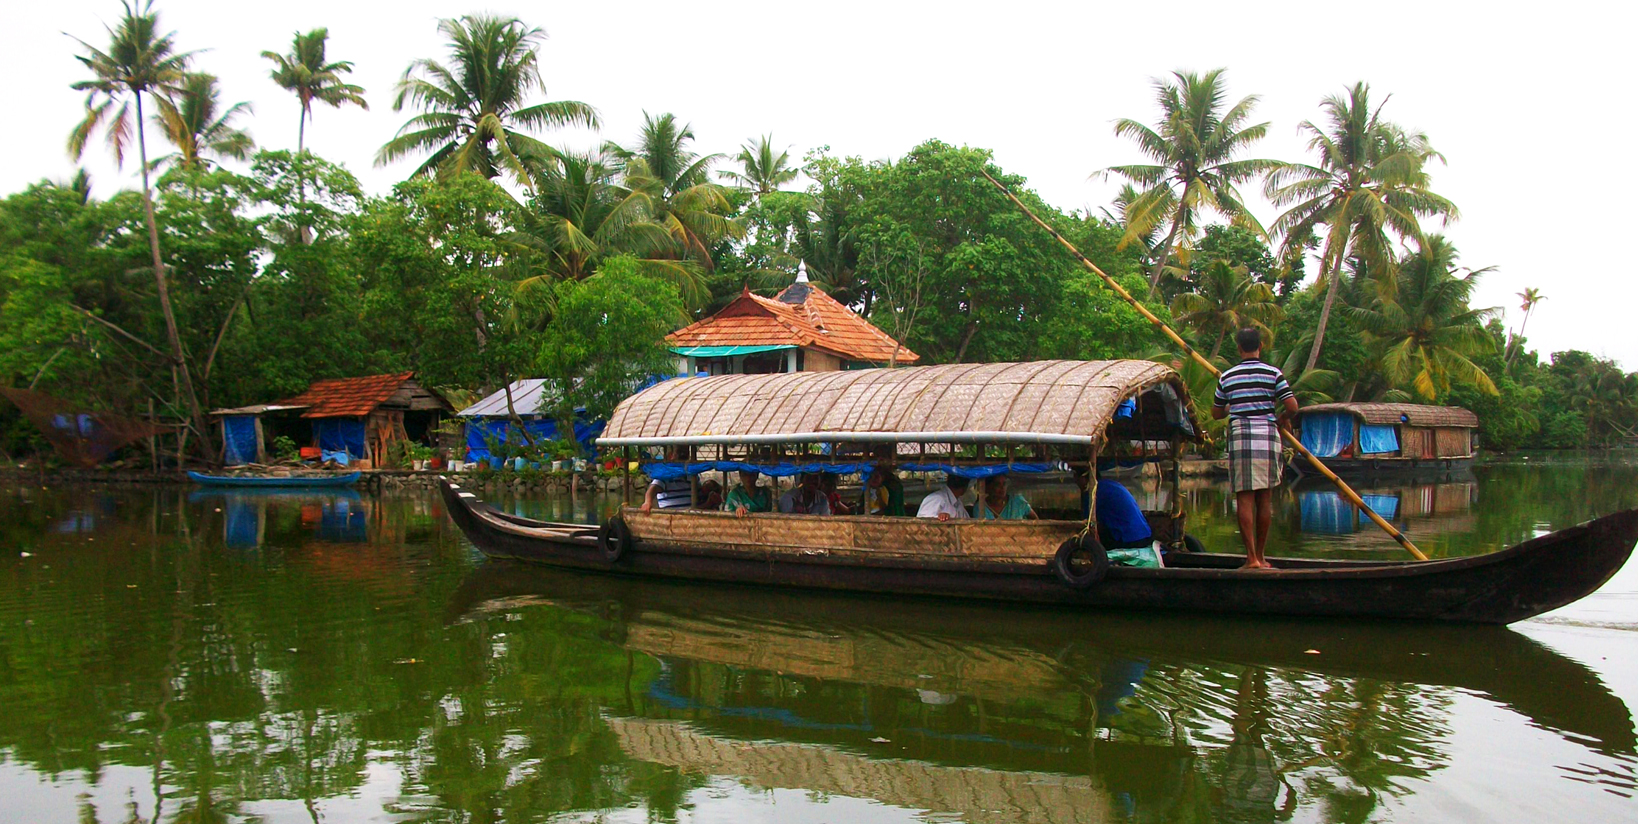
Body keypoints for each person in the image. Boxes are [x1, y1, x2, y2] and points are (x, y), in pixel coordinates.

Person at [1212, 328, 1299, 569]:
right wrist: (1281, 418)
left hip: (1241, 436)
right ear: (1260, 346)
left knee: (1245, 498)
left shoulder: (1227, 377)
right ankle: (1261, 556)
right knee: (1265, 498)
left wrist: (1233, 406)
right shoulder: (1273, 373)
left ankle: (1251, 558)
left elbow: (1217, 412)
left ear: (1239, 348)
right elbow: (1292, 406)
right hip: (1267, 435)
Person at [1075, 466, 1153, 548]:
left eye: (1077, 478)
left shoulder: (1094, 491)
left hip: (1130, 539)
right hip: (1145, 535)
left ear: (1083, 478)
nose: (1076, 481)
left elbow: (1086, 523)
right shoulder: (1111, 484)